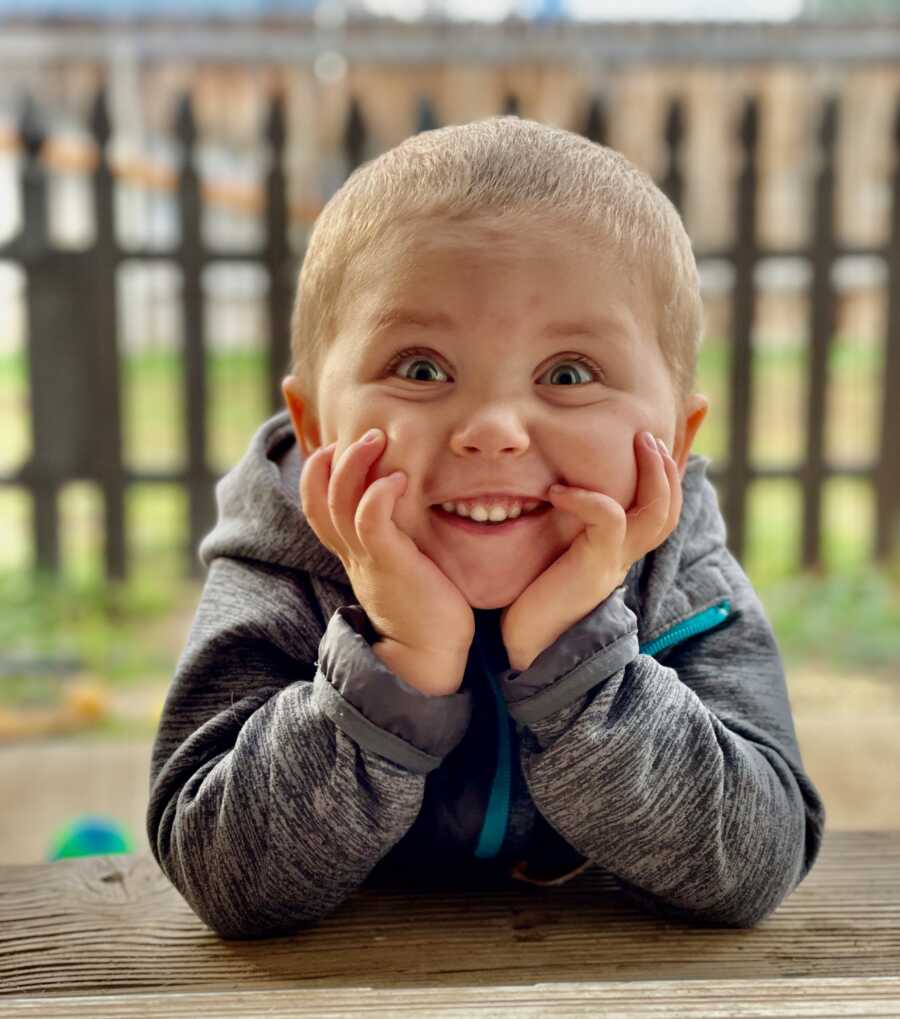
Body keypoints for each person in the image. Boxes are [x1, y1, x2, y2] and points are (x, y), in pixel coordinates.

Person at [147, 116, 825, 940]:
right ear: (318, 425)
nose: (494, 428)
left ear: (676, 443)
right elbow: (223, 872)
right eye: (422, 368)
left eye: (569, 373)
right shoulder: (283, 567)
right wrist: (397, 664)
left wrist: (577, 660)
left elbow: (753, 862)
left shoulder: (680, 581)